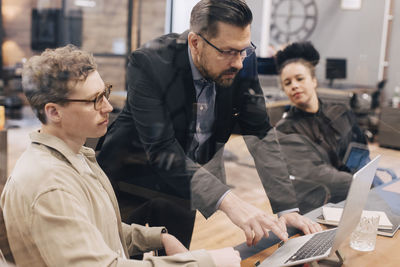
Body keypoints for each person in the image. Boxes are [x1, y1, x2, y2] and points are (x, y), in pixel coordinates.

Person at [97, 0, 320, 250]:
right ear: (195, 42)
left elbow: (259, 132)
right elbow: (161, 149)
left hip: (185, 183)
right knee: (123, 256)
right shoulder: (149, 62)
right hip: (131, 179)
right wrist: (230, 201)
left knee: (179, 259)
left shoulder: (243, 61)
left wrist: (286, 208)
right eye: (227, 51)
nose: (238, 62)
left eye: (243, 49)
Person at [0, 45, 242, 267]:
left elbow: (98, 229)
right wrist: (206, 262)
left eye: (104, 92)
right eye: (94, 100)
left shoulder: (78, 156)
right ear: (53, 112)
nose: (106, 107)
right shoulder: (50, 185)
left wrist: (157, 238)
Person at [261, 41, 368, 214]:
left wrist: (369, 176)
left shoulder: (339, 111)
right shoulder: (285, 131)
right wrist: (364, 183)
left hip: (357, 197)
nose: (294, 85)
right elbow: (323, 176)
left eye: (300, 78)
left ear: (314, 81)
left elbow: (361, 150)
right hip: (321, 208)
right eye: (287, 83)